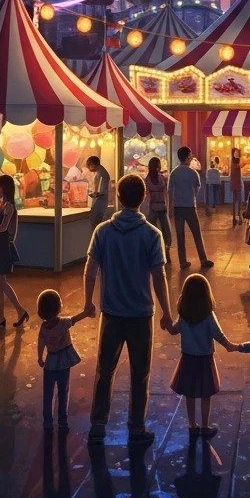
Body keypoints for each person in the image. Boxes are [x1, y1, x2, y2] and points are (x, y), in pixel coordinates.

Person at [84, 172, 175, 445]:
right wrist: (166, 312)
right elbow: (158, 276)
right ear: (144, 197)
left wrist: (88, 302)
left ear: (119, 197)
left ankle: (98, 424)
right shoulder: (152, 234)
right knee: (140, 373)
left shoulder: (103, 231)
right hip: (140, 315)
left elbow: (90, 270)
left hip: (111, 313)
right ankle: (136, 427)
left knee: (104, 370)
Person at [167, 273, 236, 438]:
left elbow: (174, 330)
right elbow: (218, 334)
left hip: (188, 358)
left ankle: (192, 425)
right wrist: (229, 346)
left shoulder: (183, 316)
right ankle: (205, 426)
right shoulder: (208, 315)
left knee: (189, 394)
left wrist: (167, 322)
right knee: (206, 394)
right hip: (205, 359)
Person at [37, 287, 91, 430]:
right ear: (58, 307)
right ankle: (62, 420)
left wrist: (40, 358)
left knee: (48, 393)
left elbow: (41, 344)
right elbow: (75, 319)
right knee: (63, 392)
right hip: (63, 362)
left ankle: (48, 421)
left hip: (50, 363)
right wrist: (86, 313)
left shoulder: (43, 328)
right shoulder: (63, 323)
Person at [0, 173, 29, 331]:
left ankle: (20, 310)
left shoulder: (9, 206)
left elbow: (3, 228)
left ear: (4, 187)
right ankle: (1, 316)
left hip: (3, 245)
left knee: (0, 282)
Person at [168, 146, 213, 270]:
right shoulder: (193, 173)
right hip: (189, 207)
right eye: (190, 155)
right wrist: (191, 197)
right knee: (196, 234)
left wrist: (170, 209)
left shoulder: (174, 173)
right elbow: (196, 189)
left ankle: (183, 261)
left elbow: (170, 191)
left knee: (180, 235)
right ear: (187, 157)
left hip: (178, 207)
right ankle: (203, 259)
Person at [145, 156, 171, 264]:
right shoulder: (162, 178)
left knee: (152, 230)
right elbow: (165, 193)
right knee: (166, 230)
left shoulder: (147, 179)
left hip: (152, 207)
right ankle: (166, 250)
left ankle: (153, 252)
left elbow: (147, 195)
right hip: (162, 206)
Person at [86, 155, 111, 229]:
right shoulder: (100, 172)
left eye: (89, 166)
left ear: (93, 165)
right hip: (99, 203)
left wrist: (93, 194)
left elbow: (101, 192)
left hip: (100, 204)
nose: (89, 169)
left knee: (96, 225)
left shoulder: (102, 174)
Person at [229, 149, 243, 225]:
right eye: (235, 152)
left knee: (239, 201)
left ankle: (238, 217)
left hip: (238, 182)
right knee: (235, 201)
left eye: (237, 152)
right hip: (234, 182)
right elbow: (235, 169)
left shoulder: (239, 160)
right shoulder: (233, 161)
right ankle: (235, 217)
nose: (236, 154)